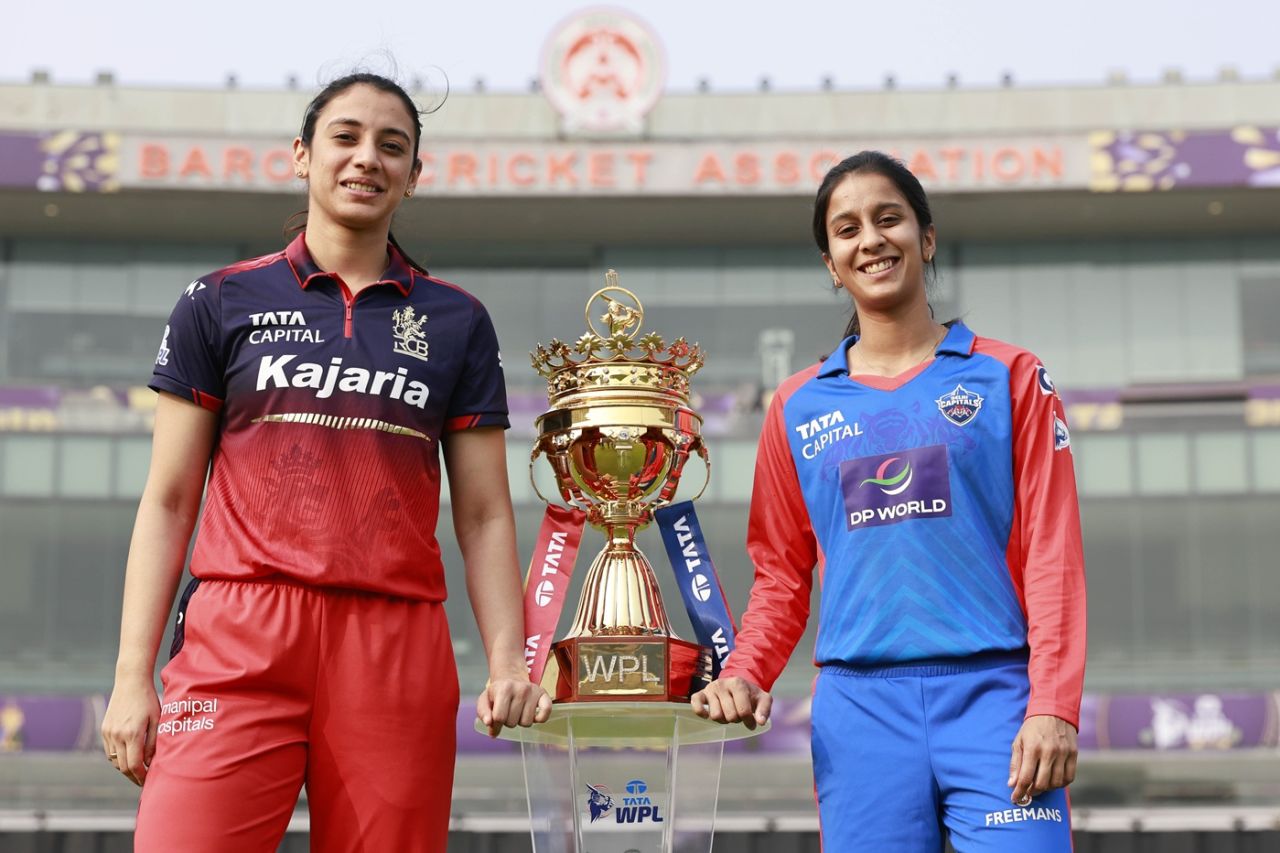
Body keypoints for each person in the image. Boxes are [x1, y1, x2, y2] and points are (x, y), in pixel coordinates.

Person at [99, 72, 549, 852]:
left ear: (414, 174)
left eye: (392, 146)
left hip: (394, 642)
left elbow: (481, 513)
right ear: (303, 155)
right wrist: (131, 676)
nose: (366, 158)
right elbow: (169, 500)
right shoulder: (219, 300)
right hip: (238, 631)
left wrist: (509, 659)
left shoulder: (456, 321)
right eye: (345, 137)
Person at [692, 150, 1086, 851]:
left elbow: (1052, 556)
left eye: (888, 219)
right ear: (831, 263)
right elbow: (781, 575)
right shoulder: (796, 406)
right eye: (847, 230)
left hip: (997, 700)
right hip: (860, 713)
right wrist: (745, 672)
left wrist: (1053, 704)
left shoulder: (1013, 377)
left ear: (926, 238)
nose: (870, 239)